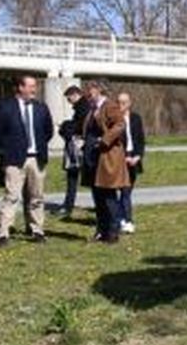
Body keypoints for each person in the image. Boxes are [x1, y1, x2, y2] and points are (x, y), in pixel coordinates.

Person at [0, 74, 55, 245]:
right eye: (31, 86)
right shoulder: (6, 107)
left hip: (36, 159)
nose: (34, 89)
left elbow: (48, 132)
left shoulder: (41, 108)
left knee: (37, 197)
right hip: (14, 160)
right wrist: (6, 154)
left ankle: (36, 230)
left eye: (35, 86)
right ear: (20, 87)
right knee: (12, 196)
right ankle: (3, 232)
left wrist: (38, 148)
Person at [89, 87, 129, 243]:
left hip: (108, 156)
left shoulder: (110, 106)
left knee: (109, 196)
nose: (88, 94)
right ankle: (102, 231)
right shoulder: (93, 108)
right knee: (99, 196)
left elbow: (120, 124)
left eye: (90, 91)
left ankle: (113, 231)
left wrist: (104, 140)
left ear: (99, 91)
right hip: (95, 158)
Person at [115, 91, 146, 235]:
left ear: (129, 103)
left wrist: (138, 156)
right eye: (119, 102)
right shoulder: (114, 119)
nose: (121, 105)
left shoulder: (136, 118)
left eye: (124, 102)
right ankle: (127, 220)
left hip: (133, 158)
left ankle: (120, 217)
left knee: (127, 191)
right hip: (120, 159)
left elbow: (140, 139)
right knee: (124, 191)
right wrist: (123, 157)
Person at [57, 84, 86, 218]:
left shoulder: (83, 108)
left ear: (75, 95)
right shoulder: (82, 107)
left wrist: (65, 126)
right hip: (79, 146)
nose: (69, 102)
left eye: (69, 99)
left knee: (73, 176)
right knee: (73, 177)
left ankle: (68, 205)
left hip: (79, 148)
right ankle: (68, 204)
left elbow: (79, 127)